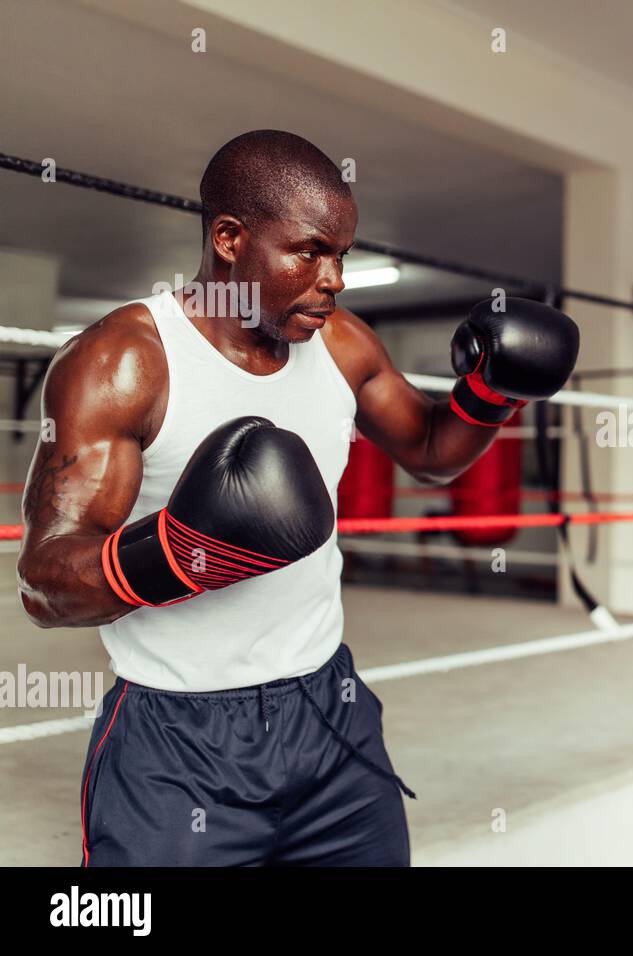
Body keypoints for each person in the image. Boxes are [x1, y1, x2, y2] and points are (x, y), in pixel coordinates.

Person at [16, 129, 580, 866]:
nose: (335, 277)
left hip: (329, 713)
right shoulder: (124, 363)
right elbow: (43, 582)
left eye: (342, 254)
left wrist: (490, 393)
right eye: (310, 251)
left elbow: (432, 452)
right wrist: (180, 554)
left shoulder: (341, 343)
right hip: (176, 737)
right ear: (228, 238)